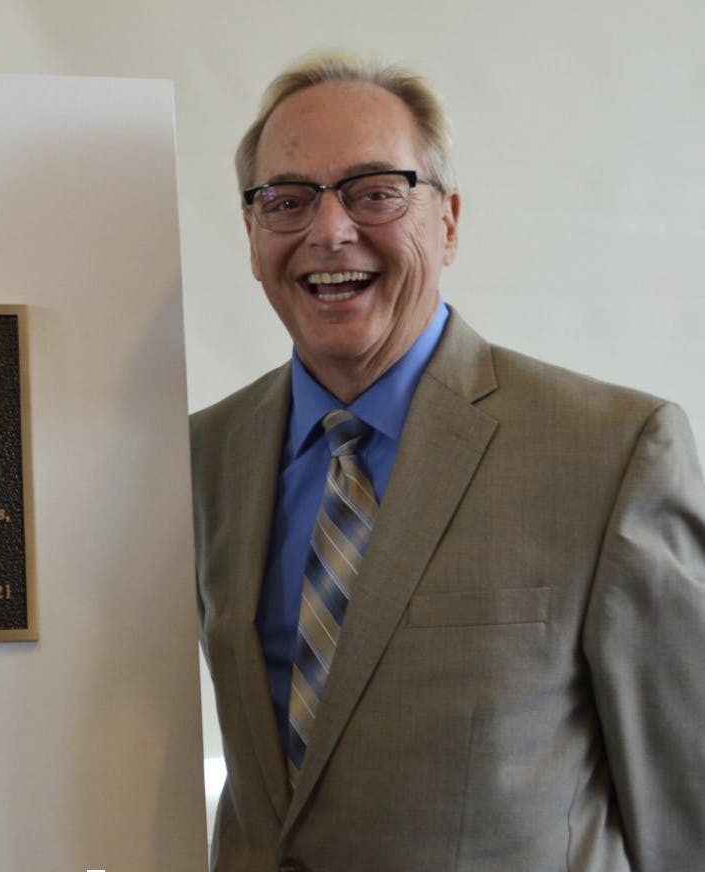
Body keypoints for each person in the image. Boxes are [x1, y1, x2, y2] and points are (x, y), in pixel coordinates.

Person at [191, 52, 705, 872]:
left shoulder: (614, 455)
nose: (330, 231)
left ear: (449, 222)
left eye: (375, 193)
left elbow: (686, 812)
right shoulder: (201, 458)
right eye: (287, 200)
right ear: (253, 237)